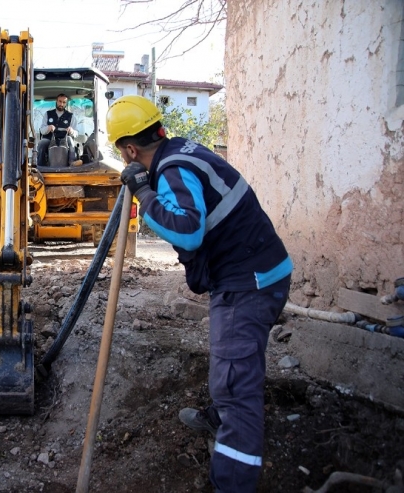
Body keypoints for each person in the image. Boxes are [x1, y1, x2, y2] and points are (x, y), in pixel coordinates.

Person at [106, 95, 293, 492]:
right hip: (256, 273)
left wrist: (144, 193)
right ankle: (224, 415)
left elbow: (188, 228)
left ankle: (232, 477)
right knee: (233, 367)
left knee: (234, 383)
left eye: (123, 156)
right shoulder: (183, 150)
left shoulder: (172, 169)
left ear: (130, 150)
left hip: (250, 283)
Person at [36, 93, 82, 167]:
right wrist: (49, 127)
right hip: (49, 138)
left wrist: (72, 130)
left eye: (64, 102)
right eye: (60, 101)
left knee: (70, 140)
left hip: (65, 139)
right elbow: (42, 130)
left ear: (66, 103)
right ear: (56, 101)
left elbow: (76, 133)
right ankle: (40, 165)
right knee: (42, 142)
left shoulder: (71, 116)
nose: (61, 104)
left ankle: (72, 162)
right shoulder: (48, 114)